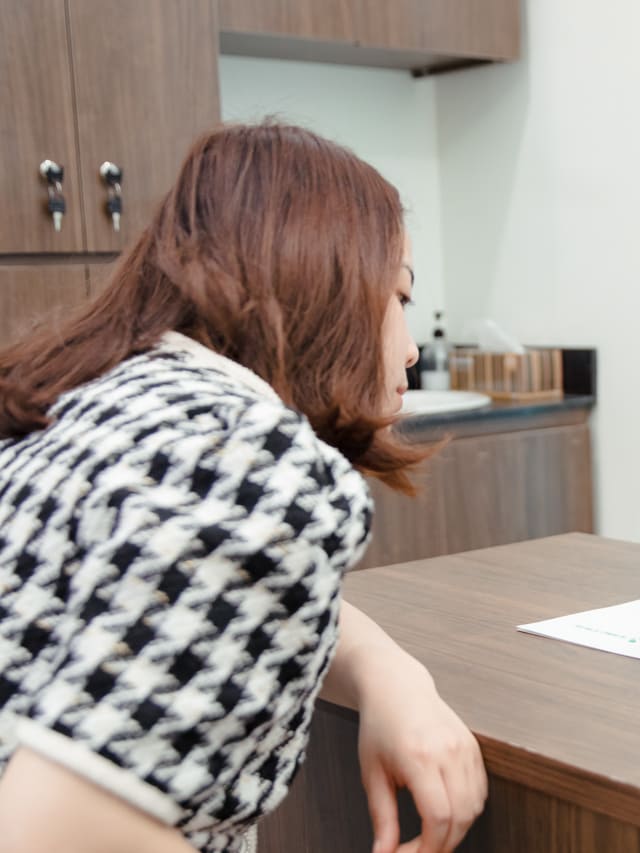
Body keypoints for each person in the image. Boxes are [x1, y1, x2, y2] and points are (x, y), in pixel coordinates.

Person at [0, 123, 486, 853]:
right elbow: (55, 830)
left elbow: (170, 590)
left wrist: (387, 670)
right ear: (328, 286)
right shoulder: (253, 458)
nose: (412, 348)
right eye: (400, 296)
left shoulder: (81, 400)